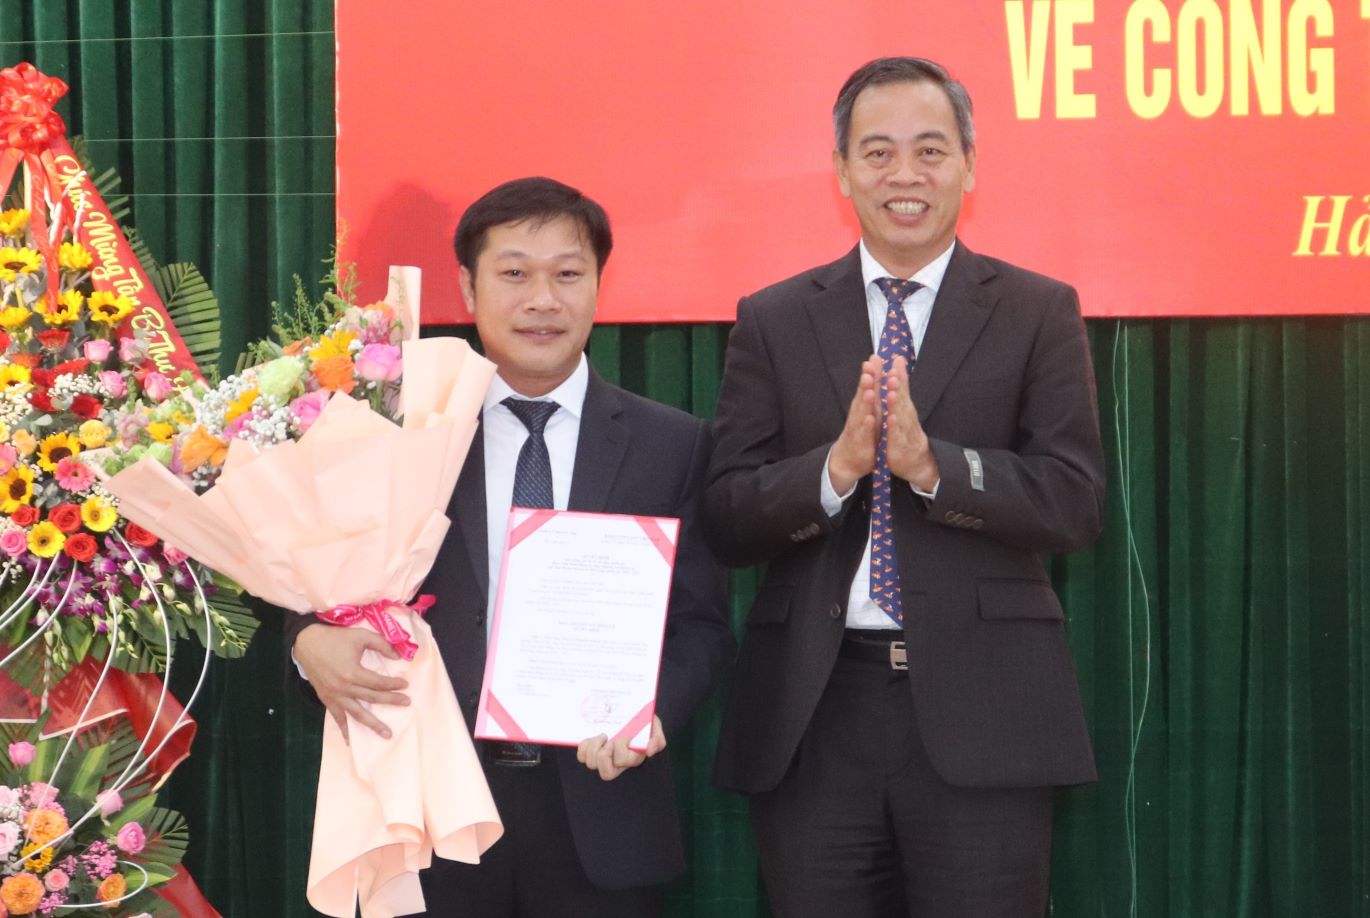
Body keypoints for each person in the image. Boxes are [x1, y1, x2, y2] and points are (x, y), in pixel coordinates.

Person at [704, 57, 1106, 917]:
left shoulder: (1039, 309)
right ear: (843, 171)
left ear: (969, 163)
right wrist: (836, 470)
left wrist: (933, 467)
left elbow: (1073, 499)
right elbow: (729, 516)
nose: (905, 176)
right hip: (815, 712)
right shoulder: (773, 317)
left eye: (930, 150)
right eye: (878, 153)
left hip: (987, 710)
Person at [292, 177, 734, 917]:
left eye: (567, 273)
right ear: (468, 286)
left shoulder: (671, 444)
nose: (543, 299)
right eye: (515, 273)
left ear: (598, 284)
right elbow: (312, 570)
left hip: (601, 811)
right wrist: (304, 643)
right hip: (430, 806)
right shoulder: (402, 427)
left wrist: (651, 714)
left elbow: (702, 626)